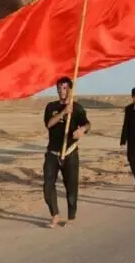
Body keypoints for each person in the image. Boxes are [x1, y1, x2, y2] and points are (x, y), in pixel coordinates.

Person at [43, 77, 91, 228]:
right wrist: (63, 112)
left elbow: (87, 124)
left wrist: (82, 129)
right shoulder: (51, 106)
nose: (61, 91)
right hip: (52, 152)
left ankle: (71, 216)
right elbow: (49, 124)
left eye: (64, 88)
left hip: (70, 152)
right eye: (59, 88)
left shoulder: (77, 107)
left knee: (71, 187)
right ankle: (55, 215)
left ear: (70, 89)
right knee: (48, 185)